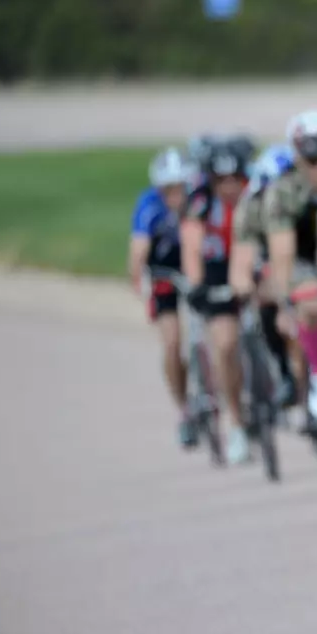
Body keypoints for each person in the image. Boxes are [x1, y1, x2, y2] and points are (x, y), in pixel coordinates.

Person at [263, 112, 317, 429]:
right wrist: (284, 302)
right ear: (297, 157)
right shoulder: (283, 192)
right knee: (312, 304)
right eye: (312, 160)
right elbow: (282, 253)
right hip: (303, 258)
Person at [180, 136, 256, 464]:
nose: (229, 187)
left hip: (252, 261)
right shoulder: (199, 203)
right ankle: (236, 423)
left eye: (235, 179)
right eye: (220, 181)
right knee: (224, 343)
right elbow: (192, 247)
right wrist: (196, 284)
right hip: (215, 270)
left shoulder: (256, 195)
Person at [129, 147, 194, 446]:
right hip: (164, 272)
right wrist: (141, 285)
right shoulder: (149, 205)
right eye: (169, 189)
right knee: (171, 344)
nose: (176, 195)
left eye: (181, 187)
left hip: (196, 267)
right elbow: (138, 251)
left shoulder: (198, 201)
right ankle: (183, 408)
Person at [230, 144, 299, 409]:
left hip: (307, 260)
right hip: (270, 266)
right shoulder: (250, 208)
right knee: (266, 295)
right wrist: (244, 285)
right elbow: (242, 262)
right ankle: (284, 371)